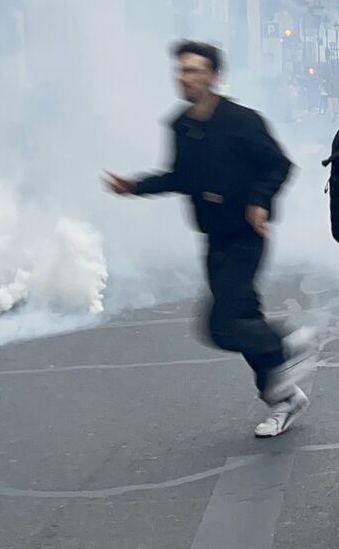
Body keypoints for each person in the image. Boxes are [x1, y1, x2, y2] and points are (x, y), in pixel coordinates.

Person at [103, 41, 310, 439]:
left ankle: (288, 341)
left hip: (246, 236)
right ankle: (284, 399)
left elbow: (279, 165)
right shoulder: (180, 125)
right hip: (214, 237)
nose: (185, 78)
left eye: (194, 70)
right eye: (181, 70)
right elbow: (181, 177)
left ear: (214, 76)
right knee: (243, 319)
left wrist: (258, 201)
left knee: (222, 325)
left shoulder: (241, 120)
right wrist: (135, 186)